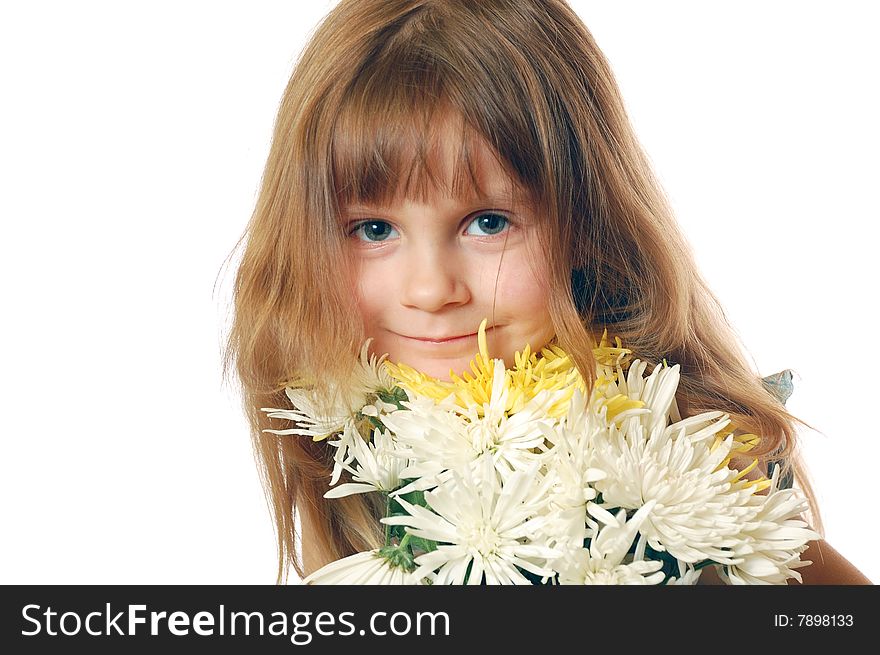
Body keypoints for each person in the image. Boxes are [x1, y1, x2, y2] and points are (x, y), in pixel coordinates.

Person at [221, 0, 870, 585]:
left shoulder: (688, 454)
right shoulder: (347, 466)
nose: (430, 289)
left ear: (586, 221)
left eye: (488, 222)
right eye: (374, 228)